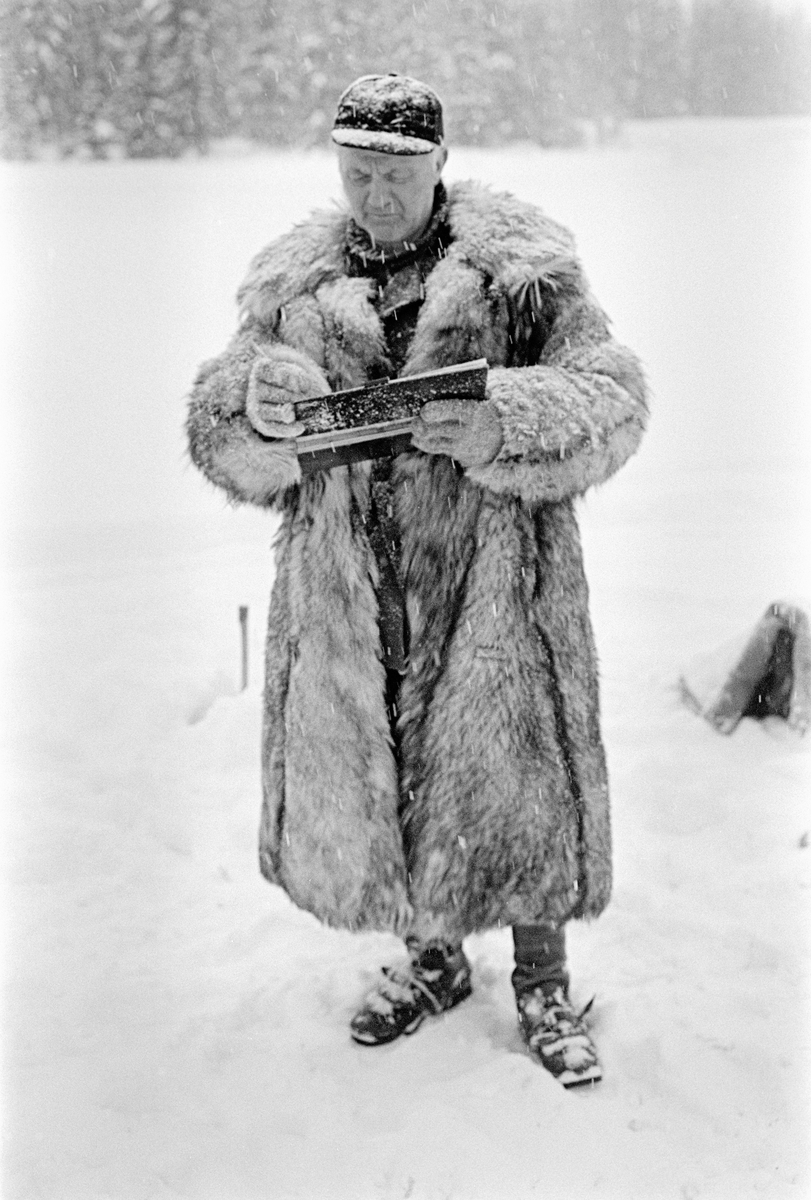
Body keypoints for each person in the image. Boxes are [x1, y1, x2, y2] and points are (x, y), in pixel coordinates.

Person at [187, 73, 648, 1088]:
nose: (378, 197)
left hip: (496, 599)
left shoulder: (523, 276)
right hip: (353, 599)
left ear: (440, 163)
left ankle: (540, 984)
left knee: (516, 789)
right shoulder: (289, 293)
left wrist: (500, 420)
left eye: (396, 174)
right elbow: (216, 427)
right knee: (387, 775)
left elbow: (613, 398)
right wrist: (254, 417)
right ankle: (434, 962)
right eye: (357, 174)